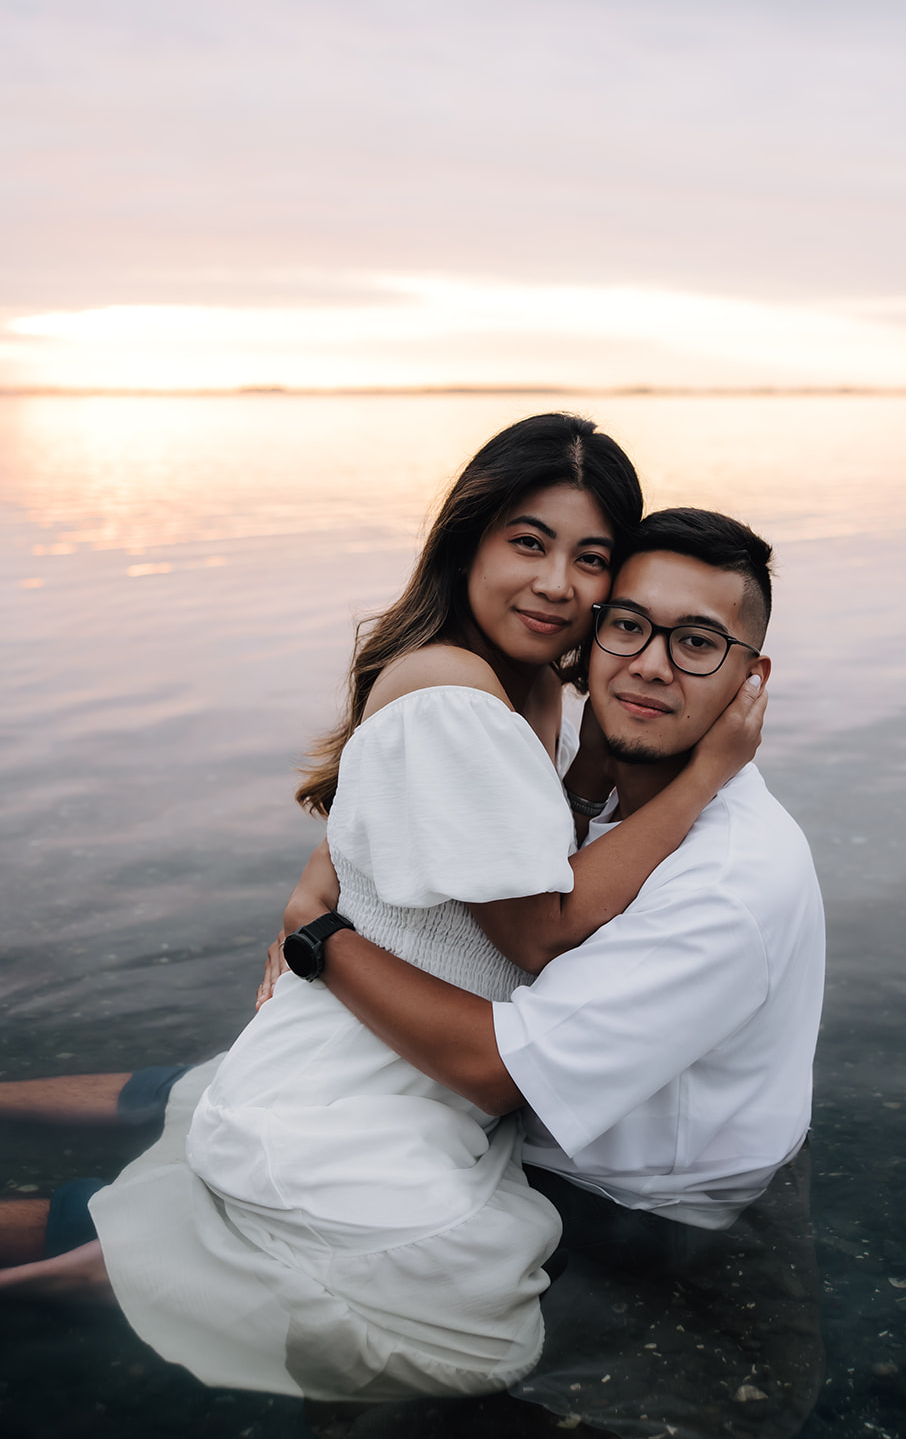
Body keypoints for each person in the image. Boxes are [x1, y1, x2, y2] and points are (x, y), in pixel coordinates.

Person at [0, 424, 765, 1410]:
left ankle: (100, 1264)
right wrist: (700, 781)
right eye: (526, 543)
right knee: (469, 1325)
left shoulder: (517, 680)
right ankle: (99, 1281)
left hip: (372, 1047)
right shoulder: (459, 697)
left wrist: (322, 882)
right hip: (367, 1078)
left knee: (169, 1198)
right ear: (469, 542)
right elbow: (540, 926)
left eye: (590, 558)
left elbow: (402, 817)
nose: (557, 585)